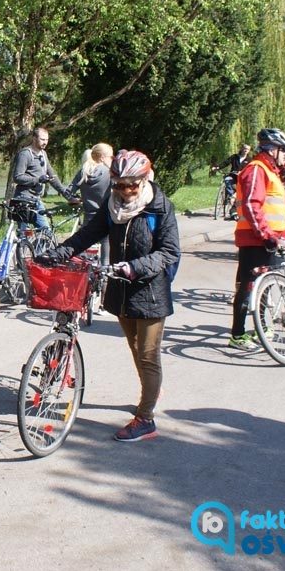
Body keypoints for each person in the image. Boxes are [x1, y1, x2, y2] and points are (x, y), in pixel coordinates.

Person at [39, 150, 180, 442]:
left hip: (151, 291)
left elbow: (169, 252)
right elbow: (88, 234)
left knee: (148, 354)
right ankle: (150, 390)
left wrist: (135, 267)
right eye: (118, 184)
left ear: (144, 180)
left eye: (131, 185)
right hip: (120, 289)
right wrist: (59, 253)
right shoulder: (112, 206)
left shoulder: (160, 207)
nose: (125, 191)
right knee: (135, 349)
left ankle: (146, 419)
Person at [227, 128, 285, 351]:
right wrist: (267, 235)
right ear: (272, 149)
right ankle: (237, 334)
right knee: (247, 287)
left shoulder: (270, 170)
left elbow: (277, 208)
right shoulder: (256, 169)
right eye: (284, 150)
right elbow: (252, 206)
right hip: (256, 240)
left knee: (263, 288)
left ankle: (263, 327)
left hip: (269, 240)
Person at [12, 127, 78, 231]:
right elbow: (17, 177)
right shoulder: (25, 154)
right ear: (34, 138)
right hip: (23, 200)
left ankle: (39, 246)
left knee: (46, 232)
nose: (45, 142)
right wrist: (38, 179)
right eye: (42, 139)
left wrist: (68, 196)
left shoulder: (43, 154)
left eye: (47, 140)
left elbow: (53, 177)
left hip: (37, 200)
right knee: (23, 235)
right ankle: (22, 246)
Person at [68, 142, 114, 266]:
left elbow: (68, 192)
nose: (112, 159)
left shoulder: (83, 171)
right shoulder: (109, 173)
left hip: (88, 218)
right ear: (102, 157)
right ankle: (104, 281)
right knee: (106, 258)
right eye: (111, 157)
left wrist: (77, 200)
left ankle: (81, 278)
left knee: (81, 252)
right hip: (105, 217)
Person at [210, 143, 251, 218]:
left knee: (242, 190)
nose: (245, 150)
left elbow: (251, 170)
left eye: (247, 149)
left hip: (242, 178)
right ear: (241, 149)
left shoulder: (249, 160)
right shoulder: (234, 157)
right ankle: (231, 195)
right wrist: (217, 167)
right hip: (232, 175)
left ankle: (235, 208)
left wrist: (242, 172)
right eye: (244, 148)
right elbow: (225, 163)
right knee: (227, 179)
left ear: (249, 151)